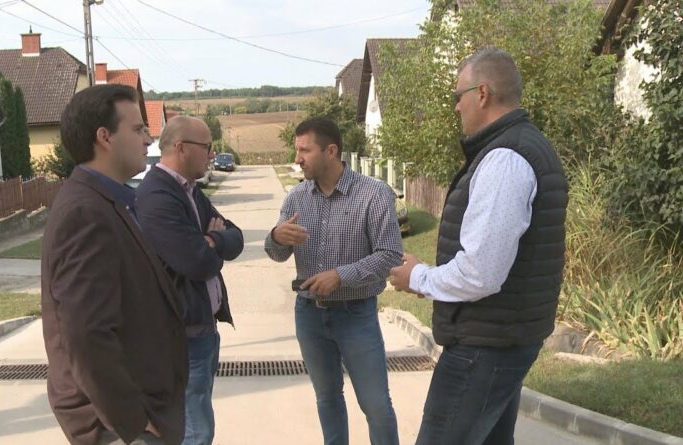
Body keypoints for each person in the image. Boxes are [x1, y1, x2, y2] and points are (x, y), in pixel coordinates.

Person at [389, 48, 569, 445]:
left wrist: (418, 277)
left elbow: (481, 272)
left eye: (459, 95)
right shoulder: (522, 145)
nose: (457, 106)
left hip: (485, 347)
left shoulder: (505, 159)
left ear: (482, 93)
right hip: (504, 338)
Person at [41, 84, 188, 445]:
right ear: (104, 137)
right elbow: (85, 334)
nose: (148, 140)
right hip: (116, 426)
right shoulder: (85, 213)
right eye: (137, 129)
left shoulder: (108, 202)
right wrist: (133, 424)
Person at [264, 117, 402, 445]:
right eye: (297, 150)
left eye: (304, 150)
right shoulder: (296, 198)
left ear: (331, 151)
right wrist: (276, 236)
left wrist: (341, 275)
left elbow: (390, 254)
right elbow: (277, 254)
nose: (297, 158)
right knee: (327, 399)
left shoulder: (373, 194)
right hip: (309, 314)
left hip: (356, 314)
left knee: (376, 405)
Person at [135, 116, 244, 445]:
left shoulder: (189, 191)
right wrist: (210, 243)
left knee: (198, 427)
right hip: (181, 337)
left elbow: (236, 237)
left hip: (202, 330)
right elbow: (196, 262)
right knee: (195, 432)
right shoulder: (158, 196)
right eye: (207, 147)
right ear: (181, 148)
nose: (212, 154)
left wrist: (212, 240)